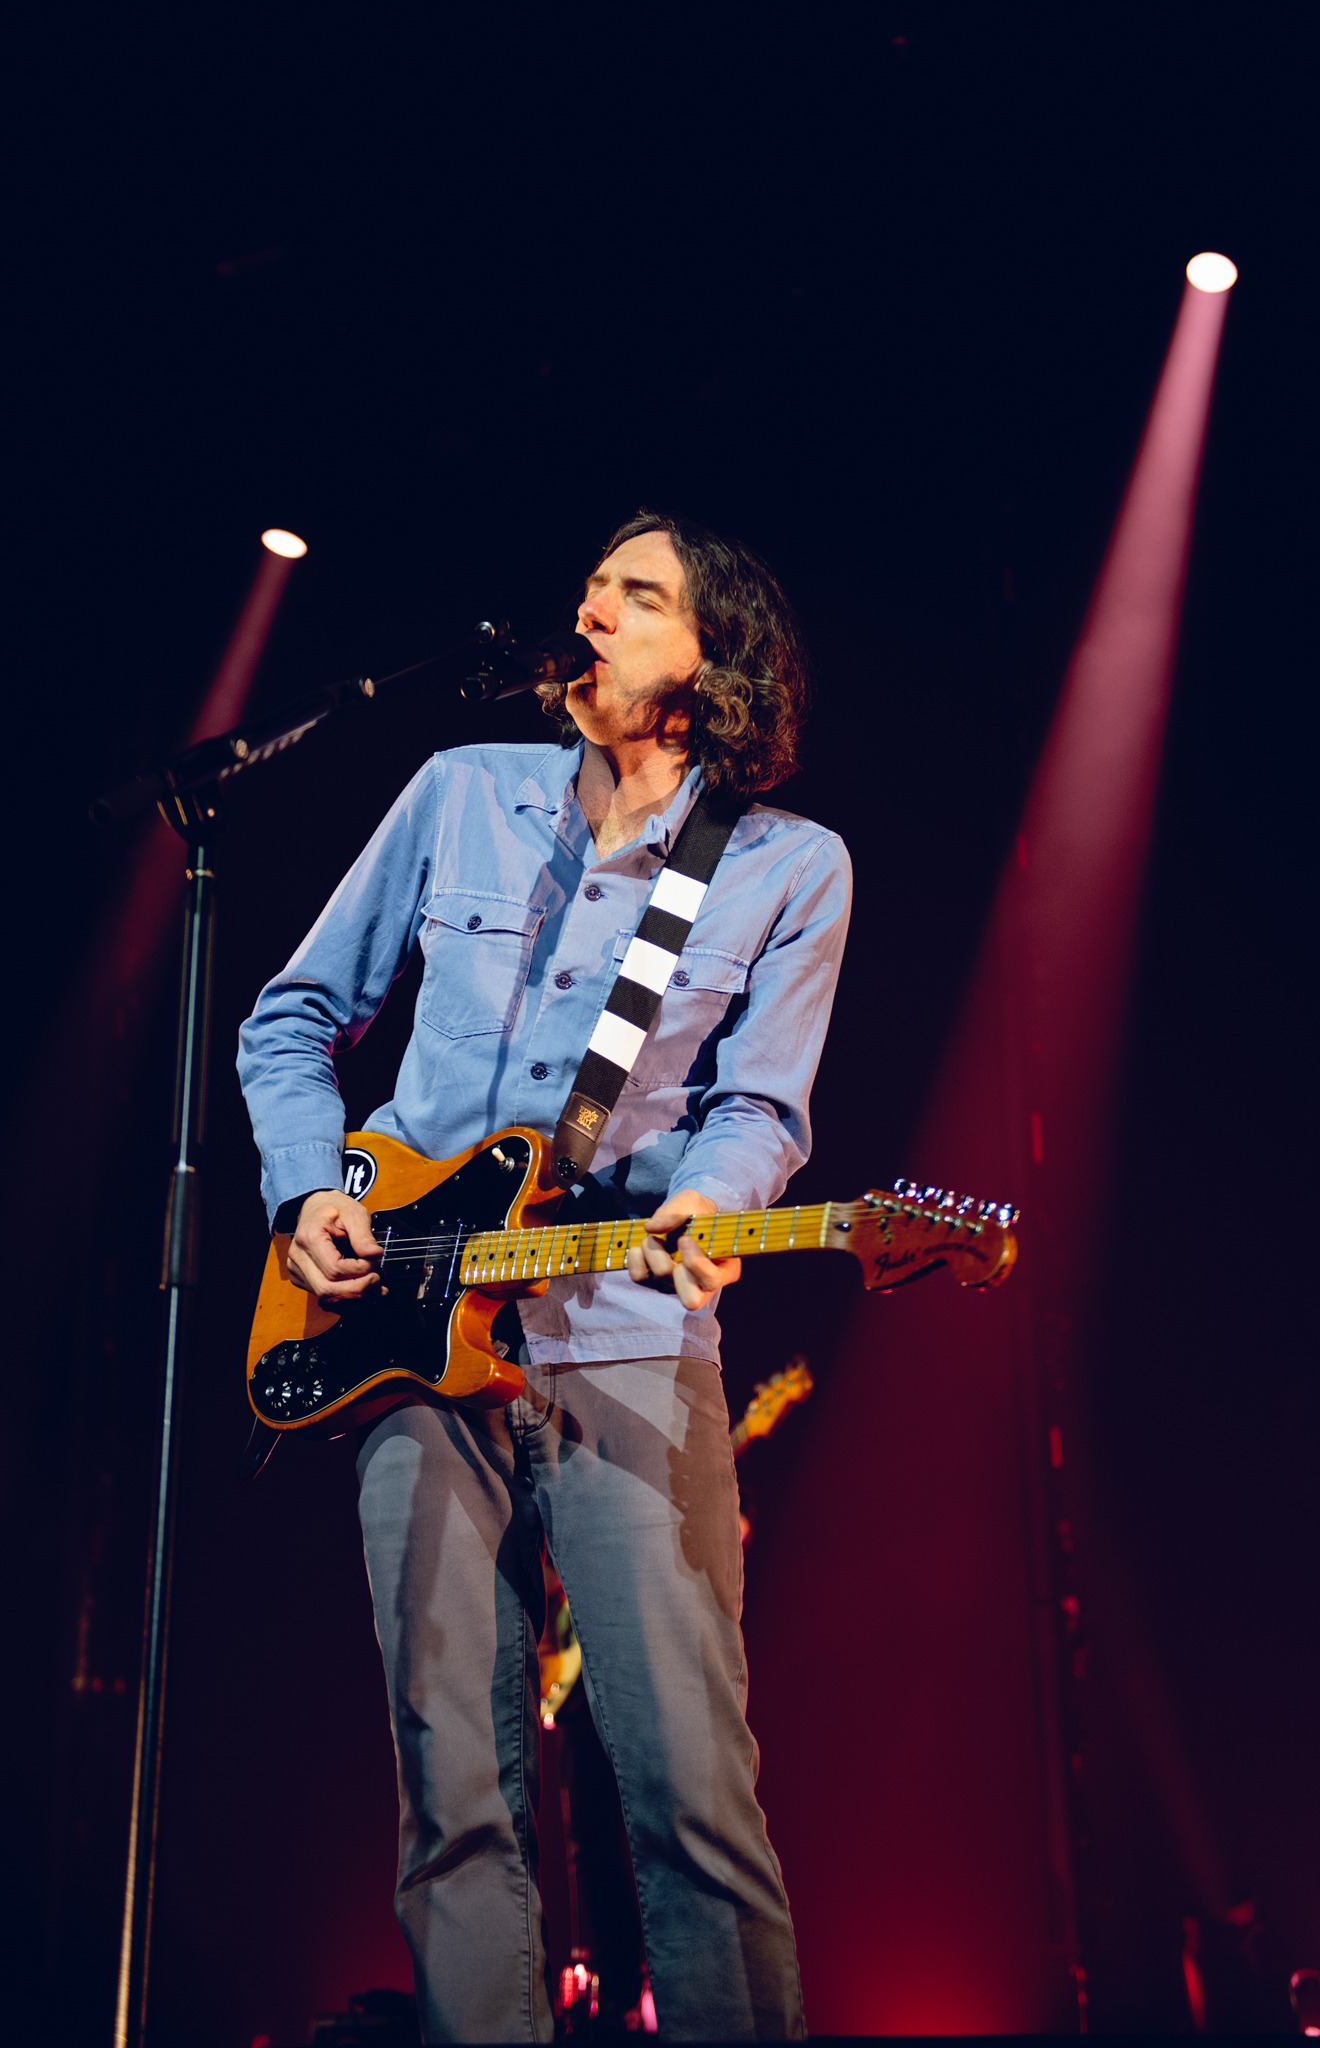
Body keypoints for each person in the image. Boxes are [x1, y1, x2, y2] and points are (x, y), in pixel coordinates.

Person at [237, 510, 852, 2042]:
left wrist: (711, 1202)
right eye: (590, 587)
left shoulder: (785, 867)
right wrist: (308, 1188)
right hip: (401, 1336)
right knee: (452, 1797)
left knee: (690, 1795)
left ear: (714, 662)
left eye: (637, 596)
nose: (591, 612)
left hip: (625, 1328)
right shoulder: (461, 793)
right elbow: (292, 1018)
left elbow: (762, 1111)